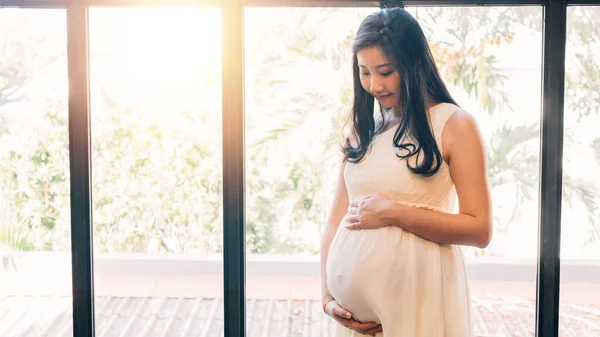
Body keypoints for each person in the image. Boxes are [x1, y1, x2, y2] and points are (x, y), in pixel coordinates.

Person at [320, 6, 492, 337]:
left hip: (420, 302)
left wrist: (394, 212)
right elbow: (334, 220)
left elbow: (479, 229)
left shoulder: (454, 124)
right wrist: (327, 298)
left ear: (412, 65)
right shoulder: (362, 130)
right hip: (354, 323)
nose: (373, 84)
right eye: (364, 71)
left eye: (385, 71)